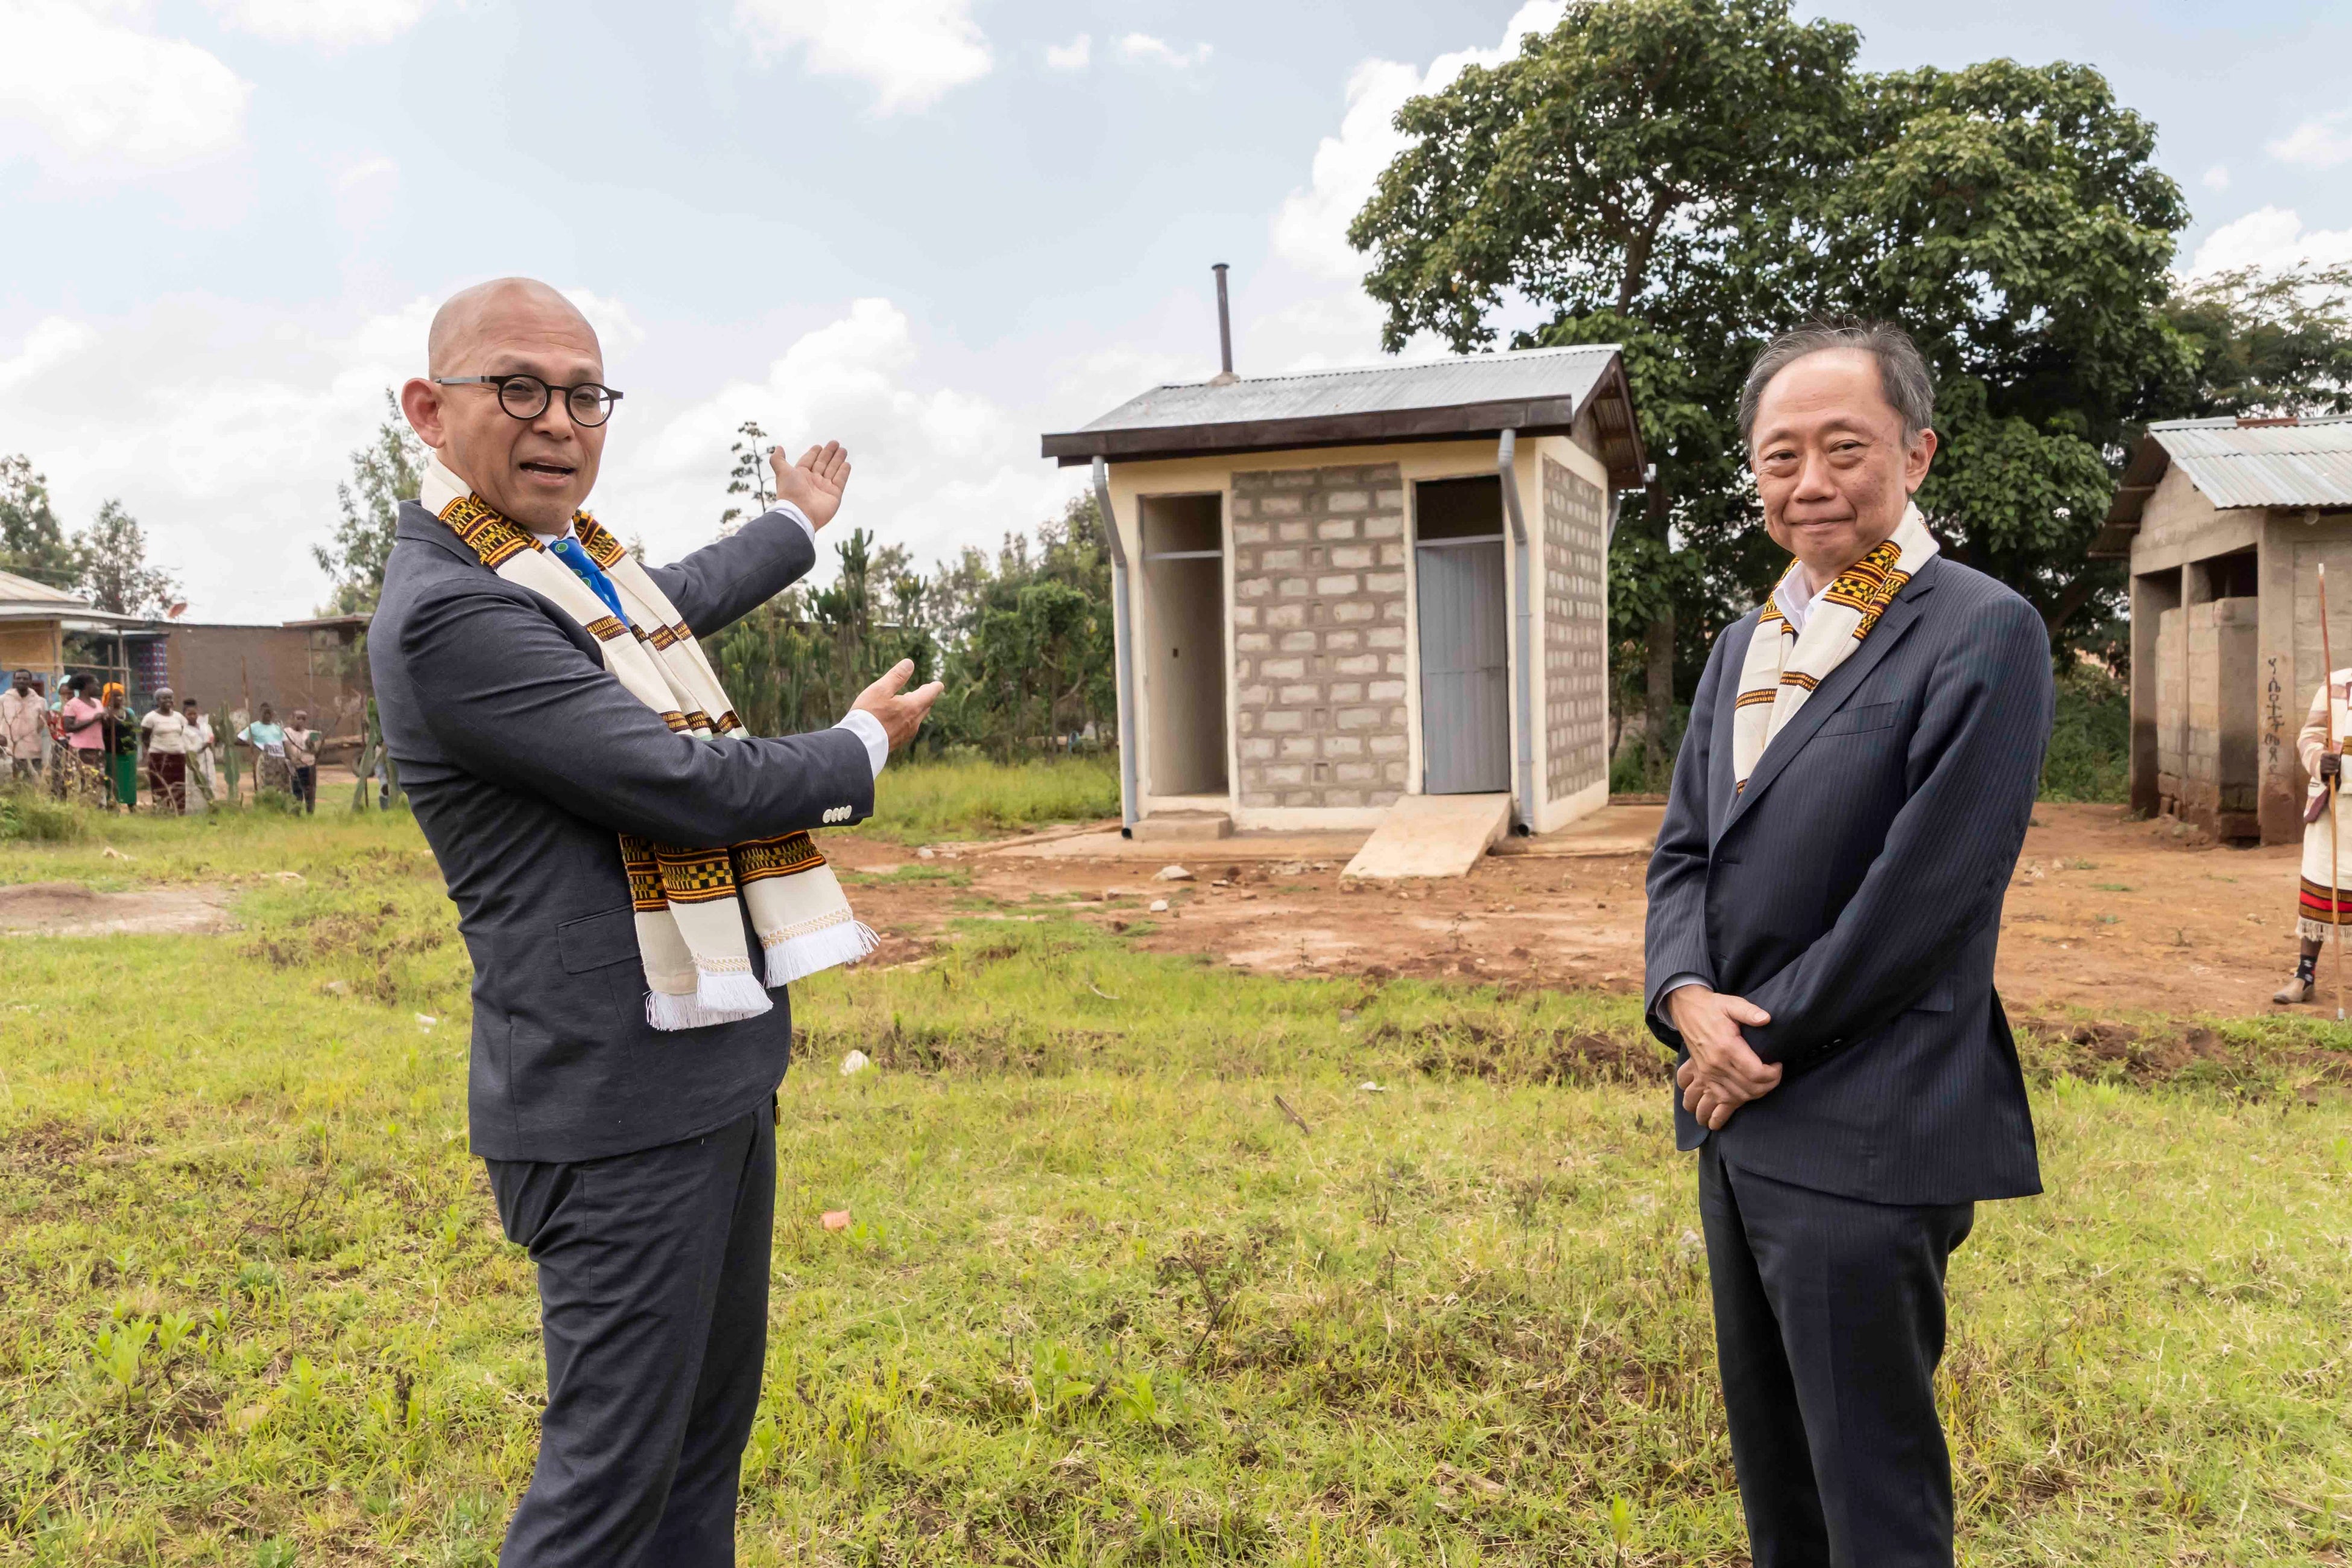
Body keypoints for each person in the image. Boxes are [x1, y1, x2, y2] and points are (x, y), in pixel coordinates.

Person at [370, 277, 941, 1568]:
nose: (558, 422)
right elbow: (682, 784)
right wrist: (858, 745)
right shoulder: (457, 609)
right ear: (430, 409)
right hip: (614, 1113)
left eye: (585, 396)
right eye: (519, 387)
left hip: (711, 1065)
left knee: (695, 1458)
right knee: (609, 1491)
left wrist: (792, 524)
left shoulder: (561, 572)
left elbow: (672, 598)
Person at [1643, 321, 2053, 1567]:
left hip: (1868, 1117)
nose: (1810, 481)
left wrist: (1750, 1044)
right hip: (1738, 1112)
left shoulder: (1980, 629)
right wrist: (1684, 997)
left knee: (1869, 1486)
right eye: (1781, 456)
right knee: (1778, 1469)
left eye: (1845, 448)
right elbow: (1686, 851)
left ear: (1916, 455)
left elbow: (1923, 898)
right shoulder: (1749, 642)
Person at [2274, 673, 2352, 1003]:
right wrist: (2320, 760)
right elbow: (2310, 735)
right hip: (2333, 806)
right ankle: (2304, 977)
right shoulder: (2337, 682)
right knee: (2320, 888)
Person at [139, 686, 190, 814]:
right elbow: (145, 738)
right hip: (159, 757)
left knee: (179, 784)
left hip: (178, 757)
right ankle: (162, 811)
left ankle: (179, 811)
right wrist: (151, 753)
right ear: (157, 701)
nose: (168, 700)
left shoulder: (179, 717)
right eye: (164, 698)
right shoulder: (151, 718)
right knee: (159, 784)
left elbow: (182, 733)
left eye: (170, 698)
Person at [58, 675, 107, 804]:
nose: (98, 687)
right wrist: (93, 720)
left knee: (97, 780)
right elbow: (69, 728)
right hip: (80, 749)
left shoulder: (98, 703)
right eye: (95, 684)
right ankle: (78, 807)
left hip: (98, 748)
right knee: (79, 780)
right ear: (86, 686)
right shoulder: (72, 704)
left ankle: (96, 807)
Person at [2, 669, 46, 785]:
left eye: (25, 679)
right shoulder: (3, 700)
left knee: (31, 786)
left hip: (33, 753)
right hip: (8, 753)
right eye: (18, 678)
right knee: (9, 786)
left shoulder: (40, 702)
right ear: (14, 681)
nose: (22, 681)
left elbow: (42, 727)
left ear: (30, 681)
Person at [101, 681, 139, 810]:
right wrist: (108, 718)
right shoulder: (104, 713)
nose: (119, 699)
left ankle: (132, 805)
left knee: (129, 781)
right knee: (113, 780)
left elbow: (135, 730)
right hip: (111, 752)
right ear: (108, 698)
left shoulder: (129, 713)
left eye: (120, 696)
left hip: (129, 752)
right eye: (115, 696)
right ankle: (113, 805)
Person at [239, 702, 288, 796]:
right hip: (266, 759)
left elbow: (284, 743)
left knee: (280, 786)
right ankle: (264, 801)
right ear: (261, 713)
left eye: (269, 713)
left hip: (280, 759)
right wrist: (253, 745)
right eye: (265, 713)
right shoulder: (253, 727)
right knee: (265, 786)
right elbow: (239, 739)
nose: (267, 715)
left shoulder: (277, 728)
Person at [182, 697, 220, 807]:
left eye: (194, 714)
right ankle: (197, 808)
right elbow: (189, 749)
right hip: (195, 761)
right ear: (185, 715)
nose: (193, 716)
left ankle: (212, 805)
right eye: (189, 714)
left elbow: (211, 738)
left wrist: (209, 744)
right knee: (197, 783)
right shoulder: (184, 730)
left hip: (208, 758)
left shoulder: (206, 726)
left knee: (211, 781)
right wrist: (203, 746)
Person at [282, 709, 321, 814]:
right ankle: (296, 813)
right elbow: (287, 748)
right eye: (298, 718)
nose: (301, 721)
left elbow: (316, 750)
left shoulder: (310, 733)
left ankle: (310, 813)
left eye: (303, 719)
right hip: (295, 766)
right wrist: (293, 761)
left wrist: (312, 744)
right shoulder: (287, 732)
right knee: (297, 791)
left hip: (309, 766)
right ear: (292, 719)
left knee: (310, 791)